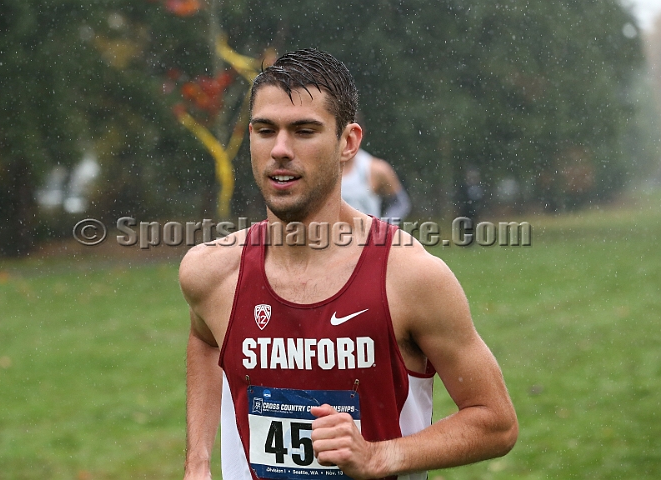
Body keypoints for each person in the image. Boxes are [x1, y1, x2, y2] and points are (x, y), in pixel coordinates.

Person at [179, 48, 517, 480]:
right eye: (266, 131)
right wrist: (198, 463)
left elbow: (495, 421)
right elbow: (206, 340)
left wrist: (379, 457)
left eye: (304, 130)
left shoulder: (410, 277)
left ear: (348, 143)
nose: (280, 149)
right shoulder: (210, 273)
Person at [341, 148, 411, 221]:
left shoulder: (376, 169)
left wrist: (384, 227)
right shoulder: (328, 167)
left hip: (367, 231)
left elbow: (400, 203)